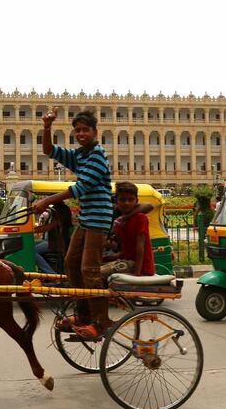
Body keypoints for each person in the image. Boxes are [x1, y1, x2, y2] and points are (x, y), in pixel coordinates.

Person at [33, 107, 113, 339]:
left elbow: (80, 188)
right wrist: (47, 126)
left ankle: (101, 321)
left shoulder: (98, 154)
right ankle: (83, 314)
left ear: (95, 132)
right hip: (87, 219)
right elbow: (49, 150)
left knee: (89, 269)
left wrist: (47, 200)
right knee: (70, 263)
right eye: (77, 130)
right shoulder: (80, 155)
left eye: (85, 130)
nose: (80, 134)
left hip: (98, 219)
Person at [100, 182, 155, 278]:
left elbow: (140, 246)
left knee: (97, 273)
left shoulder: (140, 217)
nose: (126, 203)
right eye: (122, 199)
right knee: (92, 268)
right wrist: (105, 258)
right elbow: (126, 251)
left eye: (130, 200)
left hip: (141, 267)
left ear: (136, 201)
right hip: (128, 262)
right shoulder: (118, 222)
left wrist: (137, 273)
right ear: (116, 201)